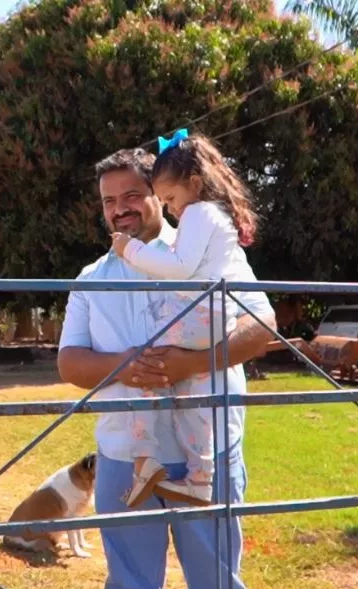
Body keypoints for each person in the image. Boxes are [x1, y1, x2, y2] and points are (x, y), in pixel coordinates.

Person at [57, 146, 277, 589]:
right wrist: (128, 367)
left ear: (160, 194)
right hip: (124, 458)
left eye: (132, 194)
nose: (120, 208)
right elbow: (70, 361)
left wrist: (191, 363)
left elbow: (263, 326)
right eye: (109, 201)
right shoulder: (92, 278)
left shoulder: (208, 250)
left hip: (208, 456)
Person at [107, 129, 263, 509]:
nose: (173, 208)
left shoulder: (198, 213)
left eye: (170, 199)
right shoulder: (215, 216)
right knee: (197, 393)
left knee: (149, 362)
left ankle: (145, 459)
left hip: (204, 317)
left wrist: (130, 250)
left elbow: (180, 266)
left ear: (194, 184)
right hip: (215, 319)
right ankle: (201, 478)